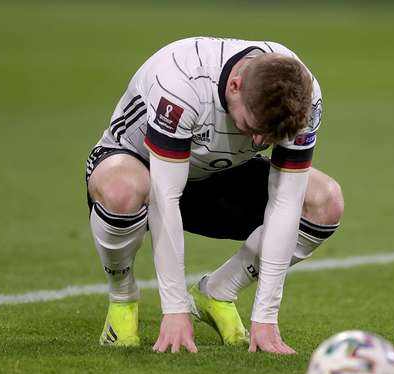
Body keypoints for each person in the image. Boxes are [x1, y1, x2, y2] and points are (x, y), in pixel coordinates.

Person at [85, 37, 343, 355]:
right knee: (121, 191)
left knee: (325, 201)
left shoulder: (303, 95)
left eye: (271, 136)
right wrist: (175, 309)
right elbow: (164, 197)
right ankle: (122, 298)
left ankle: (220, 291)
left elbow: (286, 200)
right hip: (146, 168)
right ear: (235, 86)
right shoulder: (182, 80)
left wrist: (266, 317)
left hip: (222, 174)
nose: (260, 139)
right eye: (253, 126)